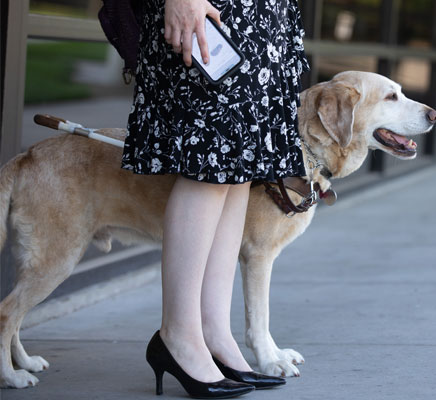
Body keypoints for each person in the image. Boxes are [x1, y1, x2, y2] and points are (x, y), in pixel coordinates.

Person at [120, 0, 311, 397]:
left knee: (237, 170)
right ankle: (178, 334)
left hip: (261, 19)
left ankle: (214, 332)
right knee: (209, 163)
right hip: (212, 9)